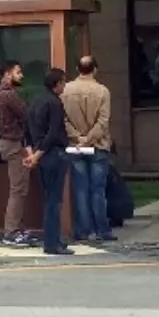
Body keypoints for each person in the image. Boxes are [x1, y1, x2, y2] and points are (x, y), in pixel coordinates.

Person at [61, 55, 115, 243]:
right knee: (97, 190)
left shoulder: (66, 90)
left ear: (78, 69)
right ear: (95, 70)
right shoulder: (102, 91)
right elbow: (103, 121)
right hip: (98, 146)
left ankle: (84, 230)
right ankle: (102, 230)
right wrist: (89, 138)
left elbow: (64, 119)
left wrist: (78, 138)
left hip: (75, 147)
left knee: (81, 189)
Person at [25, 68, 71, 255]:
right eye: (63, 82)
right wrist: (38, 154)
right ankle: (52, 243)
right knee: (54, 200)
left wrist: (31, 153)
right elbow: (53, 133)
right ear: (58, 83)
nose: (64, 86)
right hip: (53, 153)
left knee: (48, 197)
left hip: (39, 154)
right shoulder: (55, 103)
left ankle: (54, 238)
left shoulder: (34, 101)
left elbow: (26, 130)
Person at [0, 60, 35, 247]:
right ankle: (11, 232)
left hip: (8, 143)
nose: (21, 75)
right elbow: (26, 115)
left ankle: (17, 228)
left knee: (19, 188)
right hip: (13, 144)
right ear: (7, 74)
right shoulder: (9, 95)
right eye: (18, 72)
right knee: (18, 189)